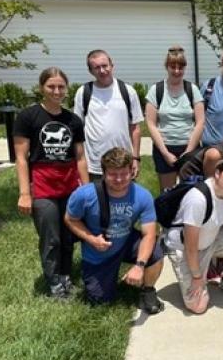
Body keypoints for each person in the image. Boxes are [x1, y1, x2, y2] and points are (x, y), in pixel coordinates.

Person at [14, 67, 89, 299]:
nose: (56, 91)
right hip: (43, 187)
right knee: (51, 238)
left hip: (69, 186)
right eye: (51, 86)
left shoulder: (73, 120)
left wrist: (86, 190)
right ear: (41, 88)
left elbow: (80, 157)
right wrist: (25, 193)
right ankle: (54, 282)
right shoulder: (28, 117)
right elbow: (20, 158)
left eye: (61, 87)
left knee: (68, 236)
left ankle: (66, 276)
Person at [65, 147, 164, 314]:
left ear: (132, 171)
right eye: (112, 174)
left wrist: (140, 266)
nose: (119, 179)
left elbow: (149, 234)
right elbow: (70, 219)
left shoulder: (143, 195)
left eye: (124, 174)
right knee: (100, 301)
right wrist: (91, 239)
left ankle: (147, 291)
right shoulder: (84, 194)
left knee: (155, 250)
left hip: (126, 241)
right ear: (103, 173)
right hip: (98, 252)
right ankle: (108, 278)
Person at [165, 157, 223, 314]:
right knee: (199, 306)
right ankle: (196, 276)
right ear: (217, 174)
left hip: (212, 237)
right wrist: (196, 277)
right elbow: (190, 247)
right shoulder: (198, 199)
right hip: (185, 249)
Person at [74, 49, 144, 179]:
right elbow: (78, 129)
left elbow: (135, 128)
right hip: (94, 165)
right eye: (96, 67)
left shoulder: (128, 91)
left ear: (112, 65)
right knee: (96, 199)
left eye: (104, 66)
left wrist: (135, 158)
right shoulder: (83, 93)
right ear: (90, 71)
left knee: (124, 199)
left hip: (123, 163)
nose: (102, 70)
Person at [145, 45, 205, 191]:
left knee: (191, 192)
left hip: (189, 147)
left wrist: (189, 152)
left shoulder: (192, 89)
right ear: (167, 67)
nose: (177, 71)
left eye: (181, 67)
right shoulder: (156, 90)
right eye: (173, 67)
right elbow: (151, 123)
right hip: (165, 147)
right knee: (168, 193)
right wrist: (165, 152)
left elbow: (200, 121)